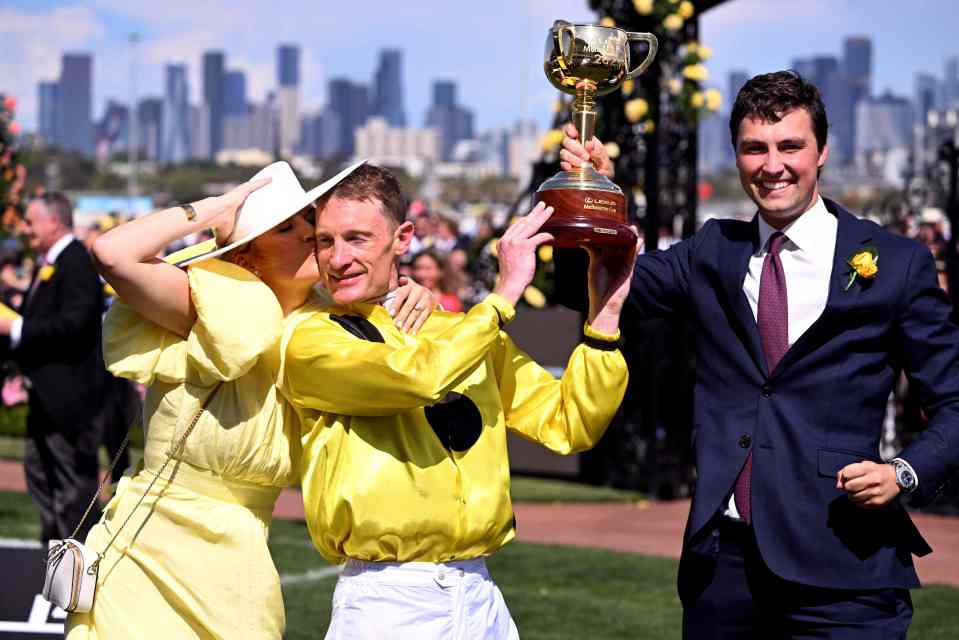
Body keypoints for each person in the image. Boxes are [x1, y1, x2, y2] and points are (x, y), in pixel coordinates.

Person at [560, 70, 959, 638]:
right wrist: (595, 194)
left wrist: (905, 472)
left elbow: (955, 402)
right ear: (738, 156)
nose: (772, 165)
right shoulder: (711, 251)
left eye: (789, 146)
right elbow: (615, 284)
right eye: (755, 148)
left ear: (822, 151)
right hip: (722, 575)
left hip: (845, 568)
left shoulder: (895, 263)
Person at [65, 161, 436, 640]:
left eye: (309, 223)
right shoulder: (206, 300)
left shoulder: (328, 319)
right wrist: (219, 208)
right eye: (286, 228)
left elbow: (385, 295)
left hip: (242, 551)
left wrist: (417, 293)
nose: (308, 235)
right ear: (248, 256)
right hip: (150, 542)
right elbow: (112, 252)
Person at [279, 164, 634, 639]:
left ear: (402, 239)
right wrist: (501, 297)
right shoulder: (308, 339)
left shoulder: (462, 331)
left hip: (481, 593)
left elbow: (571, 423)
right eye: (326, 241)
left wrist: (604, 321)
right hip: (386, 601)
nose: (338, 259)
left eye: (357, 239)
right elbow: (416, 377)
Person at [0, 192, 107, 544]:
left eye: (31, 221)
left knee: (73, 490)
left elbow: (73, 325)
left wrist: (16, 328)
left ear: (54, 221)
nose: (26, 229)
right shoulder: (52, 262)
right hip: (46, 400)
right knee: (39, 475)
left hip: (71, 404)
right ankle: (55, 561)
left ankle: (77, 572)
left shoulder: (77, 262)